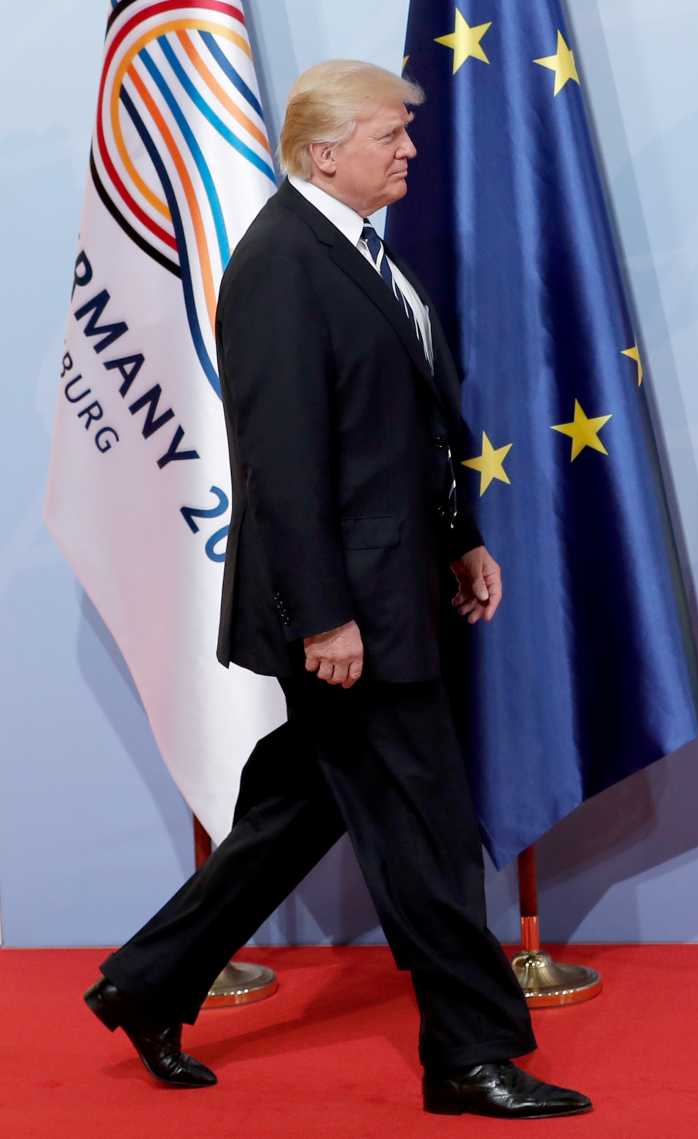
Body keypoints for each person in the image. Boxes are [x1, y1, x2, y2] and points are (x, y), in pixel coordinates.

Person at [82, 60, 591, 1122]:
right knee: (429, 834)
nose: (408, 149)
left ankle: (147, 980)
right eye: (388, 136)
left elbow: (398, 430)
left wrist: (460, 536)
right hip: (346, 613)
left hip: (394, 589)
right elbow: (284, 461)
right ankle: (469, 1054)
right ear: (324, 153)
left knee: (294, 807)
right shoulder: (279, 264)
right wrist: (325, 615)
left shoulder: (357, 253)